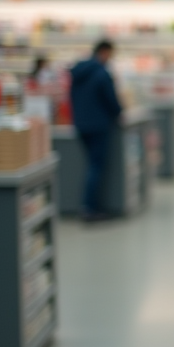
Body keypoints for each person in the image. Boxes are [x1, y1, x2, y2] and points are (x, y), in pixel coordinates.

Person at [69, 40, 121, 222]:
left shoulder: (78, 72)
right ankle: (90, 209)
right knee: (96, 167)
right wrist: (119, 113)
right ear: (105, 51)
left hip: (81, 124)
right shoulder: (101, 73)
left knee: (91, 166)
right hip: (99, 125)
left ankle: (89, 206)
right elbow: (112, 101)